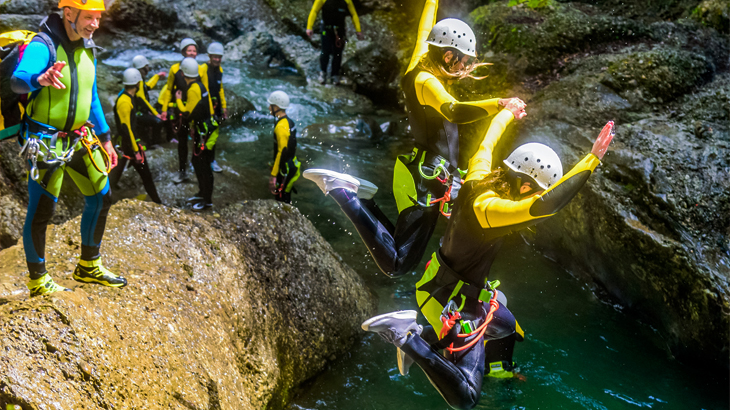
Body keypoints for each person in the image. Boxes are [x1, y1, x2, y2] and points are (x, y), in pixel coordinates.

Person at [363, 102, 616, 409]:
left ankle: (436, 343)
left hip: (455, 288)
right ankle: (406, 338)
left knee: (507, 326)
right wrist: (591, 160)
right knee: (466, 397)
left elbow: (488, 140)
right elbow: (547, 205)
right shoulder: (491, 210)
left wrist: (508, 112)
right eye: (536, 190)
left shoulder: (480, 174)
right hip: (448, 301)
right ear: (524, 185)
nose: (537, 195)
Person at [303, 0, 521, 278]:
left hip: (422, 171)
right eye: (464, 60)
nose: (466, 68)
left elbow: (424, 29)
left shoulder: (422, 59)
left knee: (398, 247)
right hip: (426, 180)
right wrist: (500, 104)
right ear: (448, 56)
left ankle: (365, 202)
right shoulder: (426, 82)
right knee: (396, 264)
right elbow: (453, 111)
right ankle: (342, 192)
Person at [10, 0, 127, 296]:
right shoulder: (43, 45)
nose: (95, 24)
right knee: (41, 212)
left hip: (78, 138)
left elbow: (92, 95)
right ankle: (38, 280)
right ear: (69, 13)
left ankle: (89, 266)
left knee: (102, 197)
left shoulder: (88, 48)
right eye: (89, 17)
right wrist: (40, 79)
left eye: (98, 18)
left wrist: (106, 138)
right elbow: (18, 81)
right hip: (45, 141)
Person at [109, 68, 162, 204]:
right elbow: (127, 129)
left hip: (126, 144)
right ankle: (157, 202)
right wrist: (136, 150)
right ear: (138, 84)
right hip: (129, 145)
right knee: (146, 176)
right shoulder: (125, 102)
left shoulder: (128, 98)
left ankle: (108, 194)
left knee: (117, 169)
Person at [175, 57, 219, 211]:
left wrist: (178, 100)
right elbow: (201, 110)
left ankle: (207, 201)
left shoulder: (193, 89)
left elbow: (188, 113)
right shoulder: (200, 86)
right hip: (203, 131)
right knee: (197, 162)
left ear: (183, 73)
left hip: (205, 134)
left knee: (203, 166)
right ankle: (202, 193)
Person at [158, 38, 198, 183]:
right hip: (180, 112)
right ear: (183, 52)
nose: (192, 53)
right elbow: (169, 89)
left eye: (194, 51)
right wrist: (164, 109)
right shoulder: (175, 69)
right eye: (189, 50)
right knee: (182, 141)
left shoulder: (199, 69)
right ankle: (182, 171)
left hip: (194, 111)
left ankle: (199, 168)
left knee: (198, 140)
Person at [305, 0, 365, 85]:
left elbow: (354, 14)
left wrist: (358, 30)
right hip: (326, 29)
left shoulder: (347, 1)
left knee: (338, 53)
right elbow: (314, 11)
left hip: (339, 30)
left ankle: (335, 75)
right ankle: (323, 72)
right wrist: (309, 27)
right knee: (325, 51)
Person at [267, 91, 301, 204]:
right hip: (290, 165)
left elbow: (282, 152)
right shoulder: (288, 122)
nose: (269, 107)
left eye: (271, 105)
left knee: (282, 199)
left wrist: (273, 175)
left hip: (285, 169)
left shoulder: (281, 127)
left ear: (276, 106)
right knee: (285, 195)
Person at [200, 42, 228, 173]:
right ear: (209, 56)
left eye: (219, 57)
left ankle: (211, 160)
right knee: (203, 134)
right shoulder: (202, 69)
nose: (217, 59)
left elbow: (220, 89)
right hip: (204, 108)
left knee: (213, 136)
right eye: (214, 57)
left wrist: (224, 107)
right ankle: (201, 159)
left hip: (215, 108)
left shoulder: (220, 70)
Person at [130, 54, 167, 146]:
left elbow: (148, 86)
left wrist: (157, 76)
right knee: (158, 121)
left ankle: (166, 139)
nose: (148, 69)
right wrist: (155, 113)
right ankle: (155, 143)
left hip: (143, 112)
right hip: (138, 115)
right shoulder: (138, 81)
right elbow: (142, 100)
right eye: (146, 67)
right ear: (142, 68)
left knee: (166, 115)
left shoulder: (139, 79)